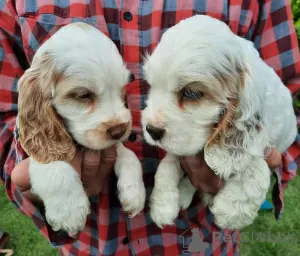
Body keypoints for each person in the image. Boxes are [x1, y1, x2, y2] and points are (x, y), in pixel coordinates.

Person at [0, 0, 298, 255]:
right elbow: (7, 113)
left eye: (190, 94)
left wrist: (252, 169)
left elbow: (281, 99)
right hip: (89, 245)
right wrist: (40, 176)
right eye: (83, 96)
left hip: (204, 243)